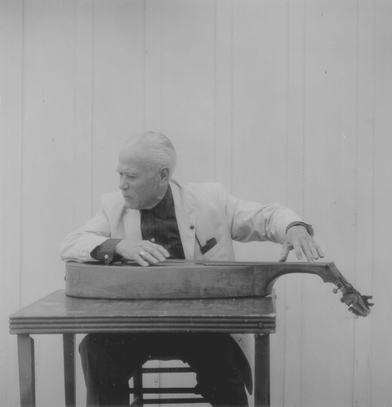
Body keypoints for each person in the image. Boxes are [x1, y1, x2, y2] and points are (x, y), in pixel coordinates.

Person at [60, 131, 324, 407]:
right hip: (133, 328)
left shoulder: (209, 200)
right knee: (94, 350)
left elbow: (265, 216)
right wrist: (118, 245)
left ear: (163, 176)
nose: (122, 185)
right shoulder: (112, 205)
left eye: (131, 176)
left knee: (224, 371)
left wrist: (294, 228)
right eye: (121, 174)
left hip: (199, 328)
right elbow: (71, 244)